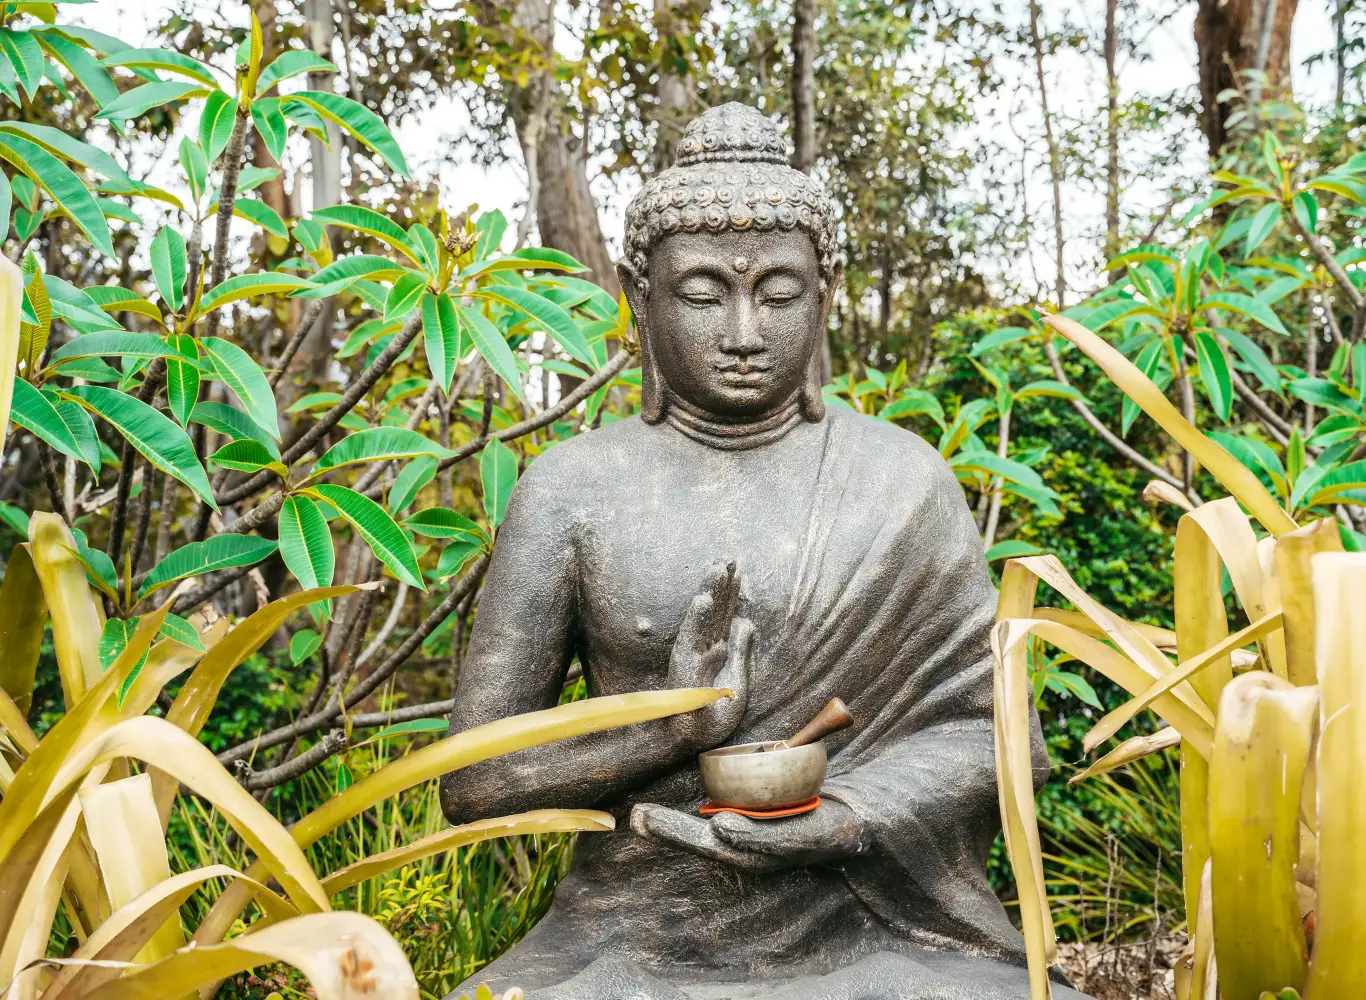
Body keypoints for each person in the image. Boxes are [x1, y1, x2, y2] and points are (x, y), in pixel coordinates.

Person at [441, 103, 1081, 1000]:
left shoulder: (902, 481)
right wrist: (668, 734)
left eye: (779, 294)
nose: (744, 332)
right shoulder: (572, 488)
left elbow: (991, 734)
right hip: (630, 937)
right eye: (703, 294)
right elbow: (472, 780)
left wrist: (852, 816)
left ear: (827, 290)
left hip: (872, 937)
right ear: (641, 294)